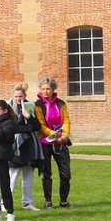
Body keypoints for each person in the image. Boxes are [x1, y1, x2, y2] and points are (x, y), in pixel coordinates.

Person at [32, 76, 73, 209]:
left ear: (53, 89)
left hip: (60, 142)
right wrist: (53, 134)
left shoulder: (61, 104)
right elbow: (41, 125)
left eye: (48, 89)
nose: (45, 91)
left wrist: (64, 135)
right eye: (43, 89)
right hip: (45, 142)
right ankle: (48, 200)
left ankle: (64, 200)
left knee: (65, 173)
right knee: (46, 173)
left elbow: (66, 120)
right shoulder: (38, 105)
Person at [6, 83, 44, 212]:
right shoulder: (8, 108)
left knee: (28, 176)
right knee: (12, 176)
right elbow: (10, 127)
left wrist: (28, 116)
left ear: (25, 96)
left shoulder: (29, 107)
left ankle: (27, 202)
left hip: (29, 145)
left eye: (20, 96)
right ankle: (4, 203)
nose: (18, 99)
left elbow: (37, 127)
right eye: (16, 96)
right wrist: (27, 128)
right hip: (15, 145)